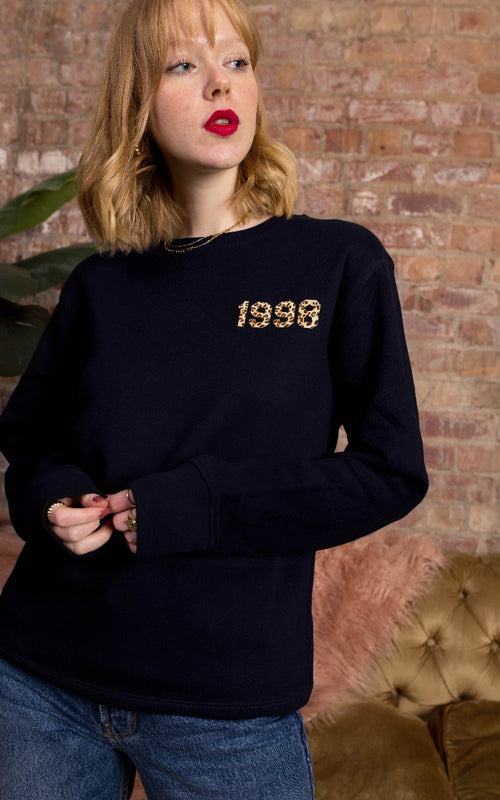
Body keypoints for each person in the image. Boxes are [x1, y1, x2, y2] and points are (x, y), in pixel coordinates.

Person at [0, 0, 428, 797]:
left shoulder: (338, 263)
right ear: (137, 102)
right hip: (40, 684)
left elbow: (389, 471)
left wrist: (188, 504)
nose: (219, 85)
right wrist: (55, 498)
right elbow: (30, 442)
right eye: (182, 66)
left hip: (224, 705)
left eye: (235, 62)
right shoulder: (100, 283)